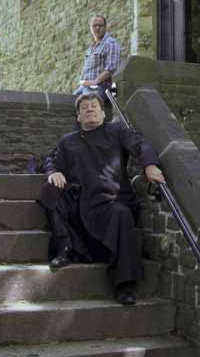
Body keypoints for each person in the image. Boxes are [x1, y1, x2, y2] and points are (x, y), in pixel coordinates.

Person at [40, 93, 165, 305]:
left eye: (94, 106)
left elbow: (140, 144)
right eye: (85, 107)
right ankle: (65, 248)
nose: (90, 109)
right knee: (51, 190)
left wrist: (150, 165)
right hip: (82, 204)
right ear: (78, 117)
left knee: (122, 214)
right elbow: (51, 160)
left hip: (111, 201)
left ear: (102, 112)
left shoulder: (117, 131)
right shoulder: (68, 141)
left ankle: (125, 286)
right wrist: (53, 172)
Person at [73, 14, 120, 102]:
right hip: (84, 87)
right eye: (95, 25)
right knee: (67, 103)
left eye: (100, 25)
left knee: (88, 106)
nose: (97, 28)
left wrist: (95, 81)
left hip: (100, 87)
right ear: (91, 28)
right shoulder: (91, 48)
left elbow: (111, 68)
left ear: (105, 27)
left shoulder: (111, 43)